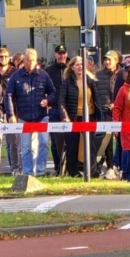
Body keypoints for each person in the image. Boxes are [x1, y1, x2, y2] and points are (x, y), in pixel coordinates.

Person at [5, 48, 57, 177]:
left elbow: (53, 92)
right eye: (28, 60)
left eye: (33, 60)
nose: (31, 62)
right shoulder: (16, 76)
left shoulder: (43, 75)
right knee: (26, 147)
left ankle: (40, 171)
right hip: (24, 116)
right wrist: (11, 114)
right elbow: (9, 95)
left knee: (44, 142)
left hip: (41, 116)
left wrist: (47, 100)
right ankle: (28, 173)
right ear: (24, 60)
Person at [58, 56, 100, 178]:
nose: (80, 66)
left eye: (82, 64)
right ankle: (73, 172)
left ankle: (93, 171)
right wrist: (65, 116)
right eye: (77, 64)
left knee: (90, 144)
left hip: (89, 116)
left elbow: (96, 100)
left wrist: (99, 115)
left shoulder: (91, 81)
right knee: (72, 145)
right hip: (73, 117)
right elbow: (61, 100)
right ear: (71, 67)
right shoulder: (67, 82)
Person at [0, 47, 21, 173]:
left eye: (5, 56)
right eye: (1, 56)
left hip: (11, 113)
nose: (3, 58)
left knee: (13, 143)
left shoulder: (14, 73)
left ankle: (15, 169)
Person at [45, 44, 69, 175]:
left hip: (68, 109)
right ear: (55, 55)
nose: (61, 56)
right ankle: (58, 168)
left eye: (63, 53)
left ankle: (69, 168)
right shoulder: (48, 71)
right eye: (59, 53)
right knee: (55, 141)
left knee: (70, 139)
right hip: (54, 109)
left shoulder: (70, 70)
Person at [95, 50, 120, 176]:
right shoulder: (98, 75)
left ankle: (119, 165)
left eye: (110, 59)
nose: (107, 62)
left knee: (121, 140)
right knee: (107, 139)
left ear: (117, 60)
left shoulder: (122, 74)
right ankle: (110, 166)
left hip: (119, 111)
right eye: (106, 59)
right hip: (104, 111)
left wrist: (116, 103)